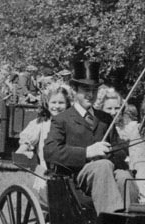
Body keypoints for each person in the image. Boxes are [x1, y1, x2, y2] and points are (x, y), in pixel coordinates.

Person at [44, 60, 136, 214]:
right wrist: (87, 152)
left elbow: (120, 150)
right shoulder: (62, 119)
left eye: (94, 90)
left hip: (107, 175)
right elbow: (50, 151)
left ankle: (131, 223)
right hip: (77, 180)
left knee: (124, 176)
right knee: (102, 166)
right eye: (85, 89)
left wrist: (110, 152)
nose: (90, 94)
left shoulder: (105, 118)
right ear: (75, 90)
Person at [16, 81, 74, 204]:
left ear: (68, 104)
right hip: (46, 175)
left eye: (61, 103)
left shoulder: (72, 123)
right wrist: (25, 150)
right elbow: (24, 145)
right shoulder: (41, 124)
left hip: (71, 174)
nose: (57, 106)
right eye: (53, 102)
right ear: (47, 104)